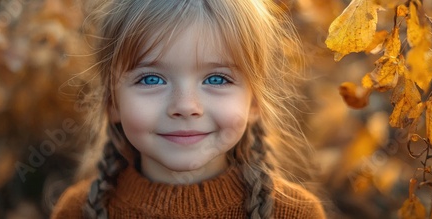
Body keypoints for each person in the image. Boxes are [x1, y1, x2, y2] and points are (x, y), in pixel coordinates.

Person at [51, 0, 326, 218]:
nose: (185, 106)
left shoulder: (296, 213)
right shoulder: (77, 211)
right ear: (112, 102)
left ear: (254, 102)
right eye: (151, 79)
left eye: (217, 79)